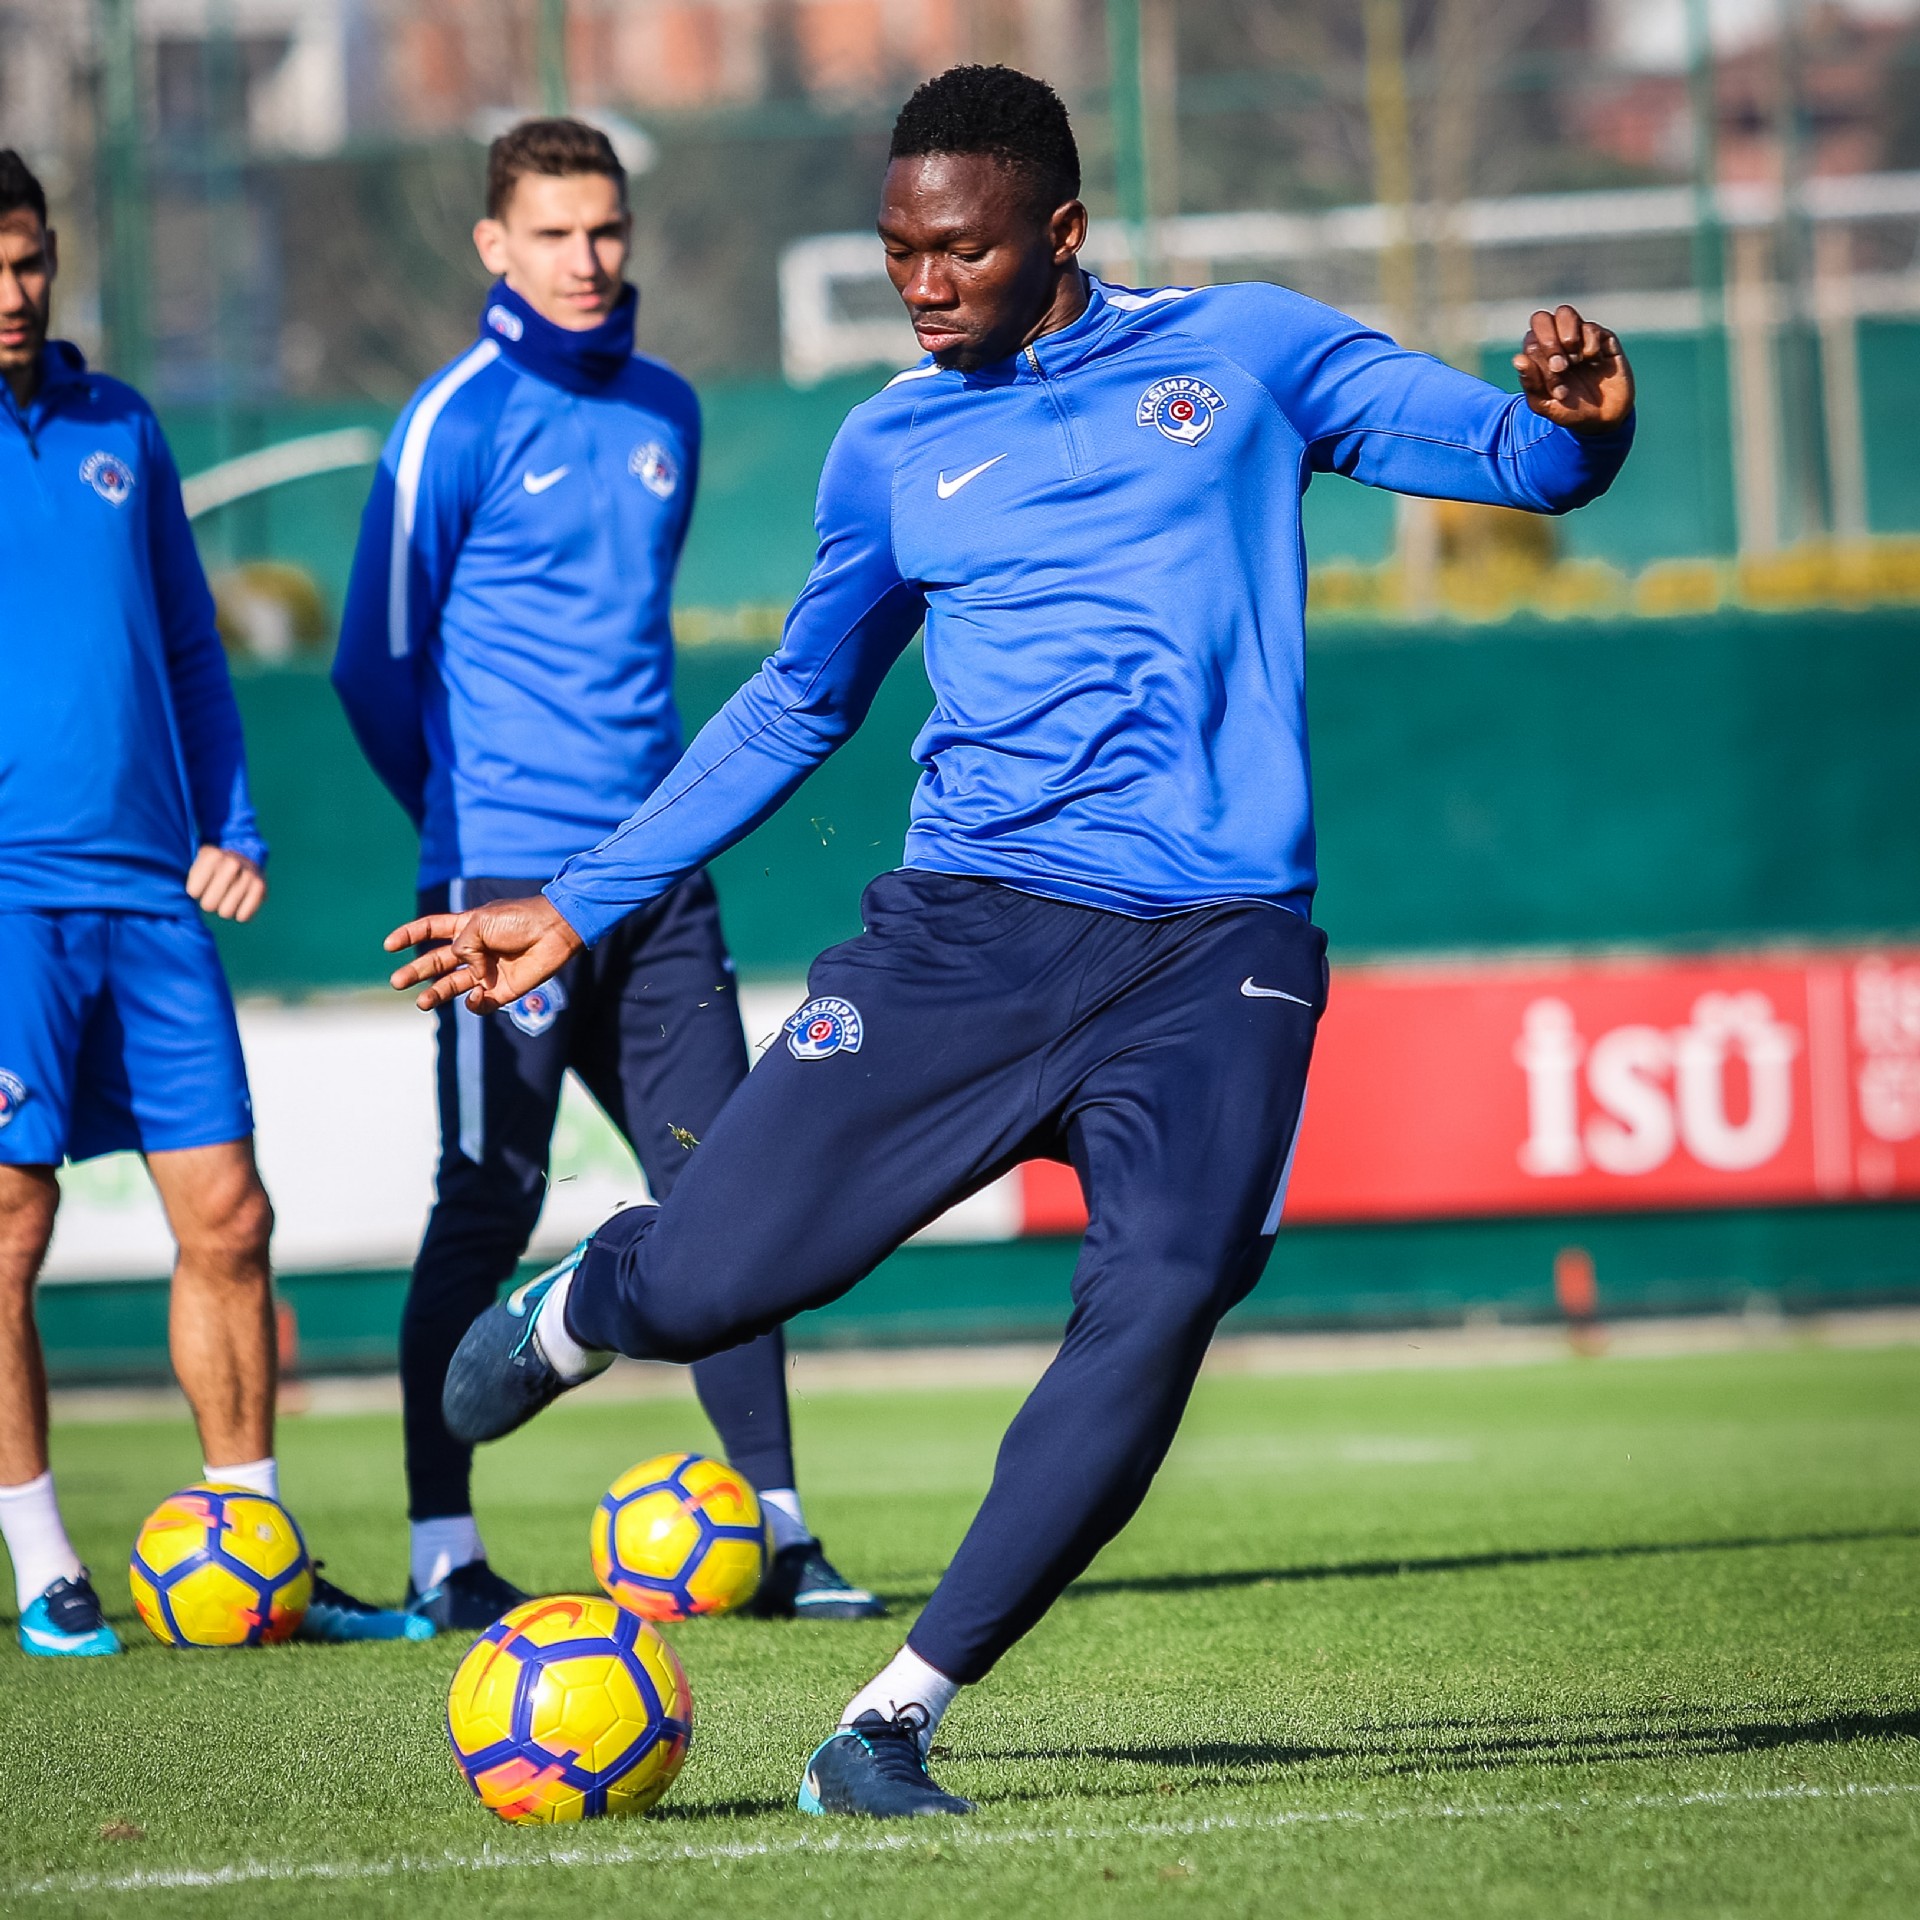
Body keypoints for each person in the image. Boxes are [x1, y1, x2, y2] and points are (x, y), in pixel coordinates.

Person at [393, 66, 1636, 1810]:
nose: (921, 284)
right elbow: (798, 701)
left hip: (1216, 949)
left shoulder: (1248, 353)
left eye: (959, 251)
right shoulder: (889, 448)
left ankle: (889, 1721)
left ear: (1059, 233)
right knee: (715, 1283)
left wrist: (1584, 428)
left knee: (1166, 1296)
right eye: (898, 249)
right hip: (966, 935)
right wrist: (577, 900)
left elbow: (1519, 457)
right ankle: (605, 1294)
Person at [334, 118, 880, 1629]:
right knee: (489, 1197)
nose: (585, 259)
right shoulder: (448, 423)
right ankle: (444, 1552)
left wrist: (625, 852)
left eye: (605, 231)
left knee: (731, 1189)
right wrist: (465, 839)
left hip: (655, 883)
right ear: (493, 245)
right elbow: (371, 665)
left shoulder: (667, 411)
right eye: (553, 233)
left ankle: (781, 1535)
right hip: (495, 891)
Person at [0, 151, 419, 1654]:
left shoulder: (122, 423)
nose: (11, 292)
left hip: (151, 890)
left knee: (231, 1218)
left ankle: (256, 1550)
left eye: (28, 261)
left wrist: (227, 824)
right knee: (9, 1224)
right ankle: (44, 1563)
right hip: (8, 904)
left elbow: (188, 647)